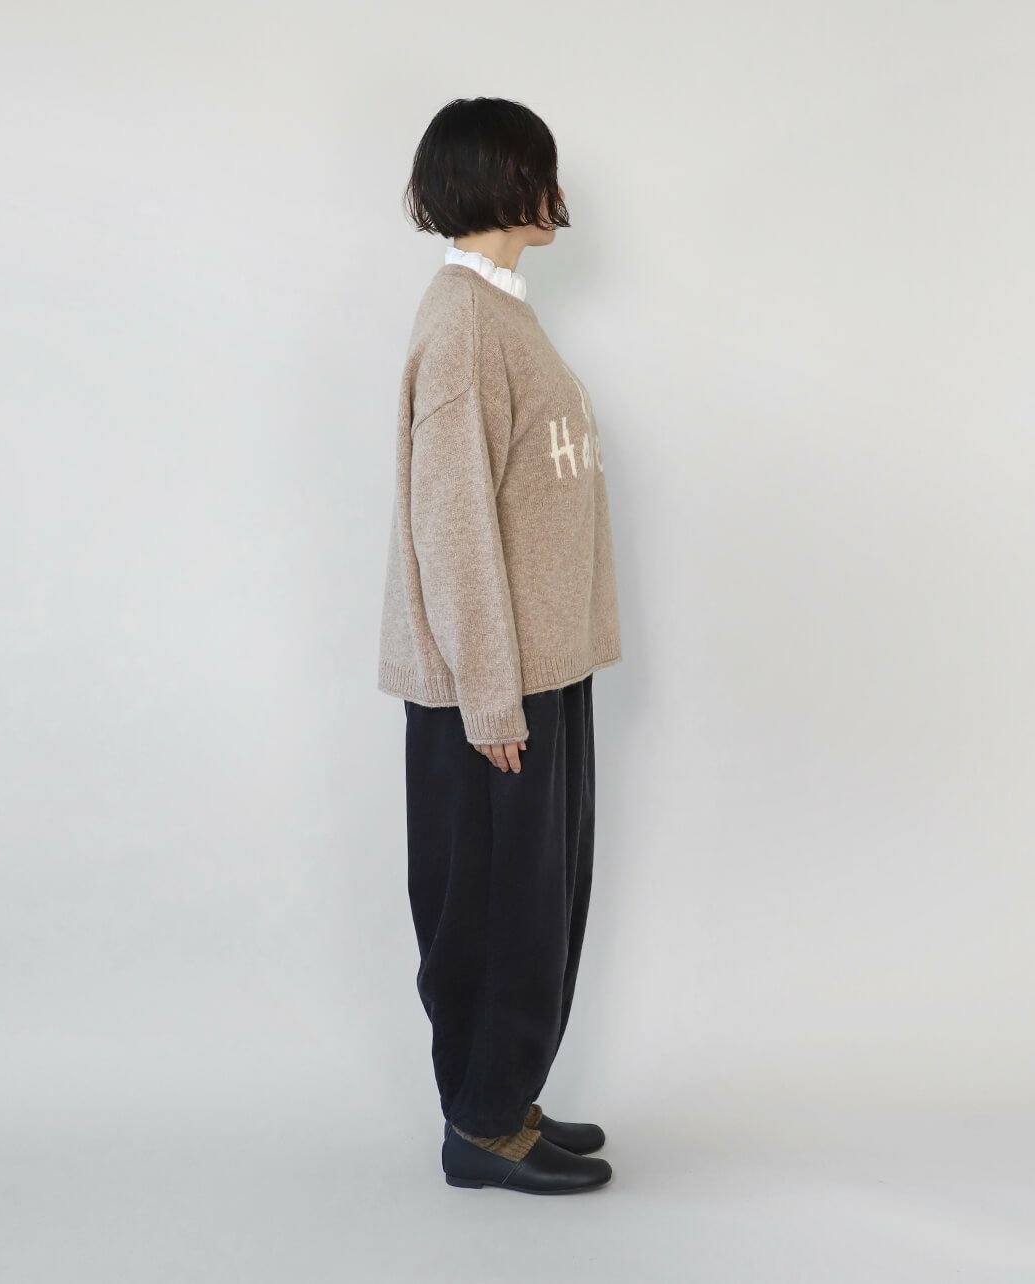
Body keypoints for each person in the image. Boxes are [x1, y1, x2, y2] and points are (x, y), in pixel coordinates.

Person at [376, 97, 623, 1195]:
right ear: (498, 181)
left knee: (538, 898)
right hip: (493, 682)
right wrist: (486, 695)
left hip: (540, 665)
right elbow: (451, 521)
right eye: (539, 172)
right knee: (492, 907)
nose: (555, 194)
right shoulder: (464, 321)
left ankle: (506, 1093)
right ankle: (479, 1126)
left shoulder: (500, 310)